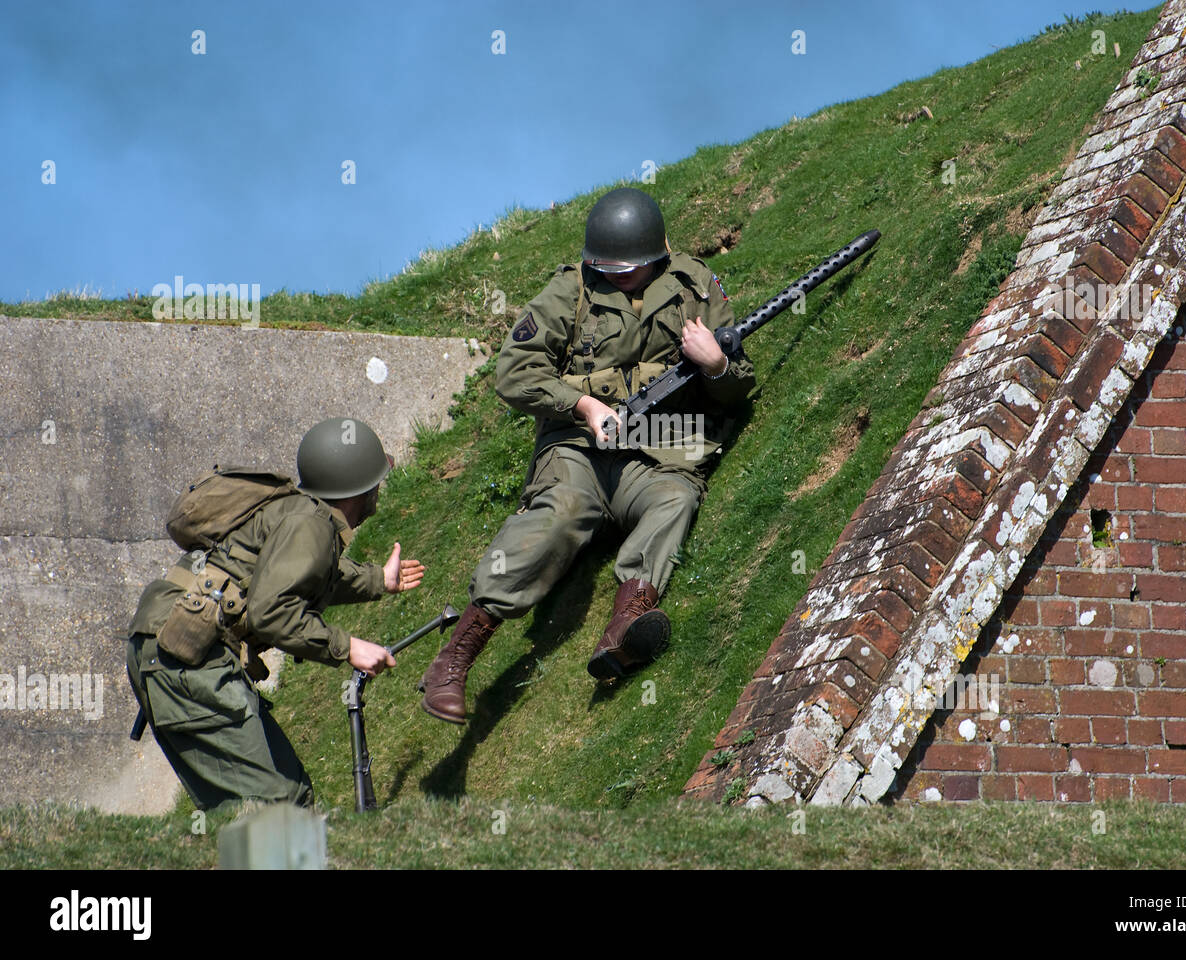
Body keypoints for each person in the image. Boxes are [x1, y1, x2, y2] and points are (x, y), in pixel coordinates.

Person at [420, 187, 755, 724]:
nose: (617, 277)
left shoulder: (696, 286)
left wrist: (715, 365)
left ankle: (627, 624)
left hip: (658, 449)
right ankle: (454, 660)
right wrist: (580, 404)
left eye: (629, 269)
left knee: (674, 499)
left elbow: (738, 389)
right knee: (560, 515)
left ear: (657, 255)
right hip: (578, 448)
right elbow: (514, 374)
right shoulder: (569, 290)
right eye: (609, 269)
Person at [125, 417, 425, 810]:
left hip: (170, 646)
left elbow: (296, 574)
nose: (378, 491)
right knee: (272, 806)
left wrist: (377, 580)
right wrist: (347, 647)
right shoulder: (311, 525)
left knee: (288, 796)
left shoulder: (294, 511)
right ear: (359, 490)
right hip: (184, 657)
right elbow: (271, 611)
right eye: (376, 483)